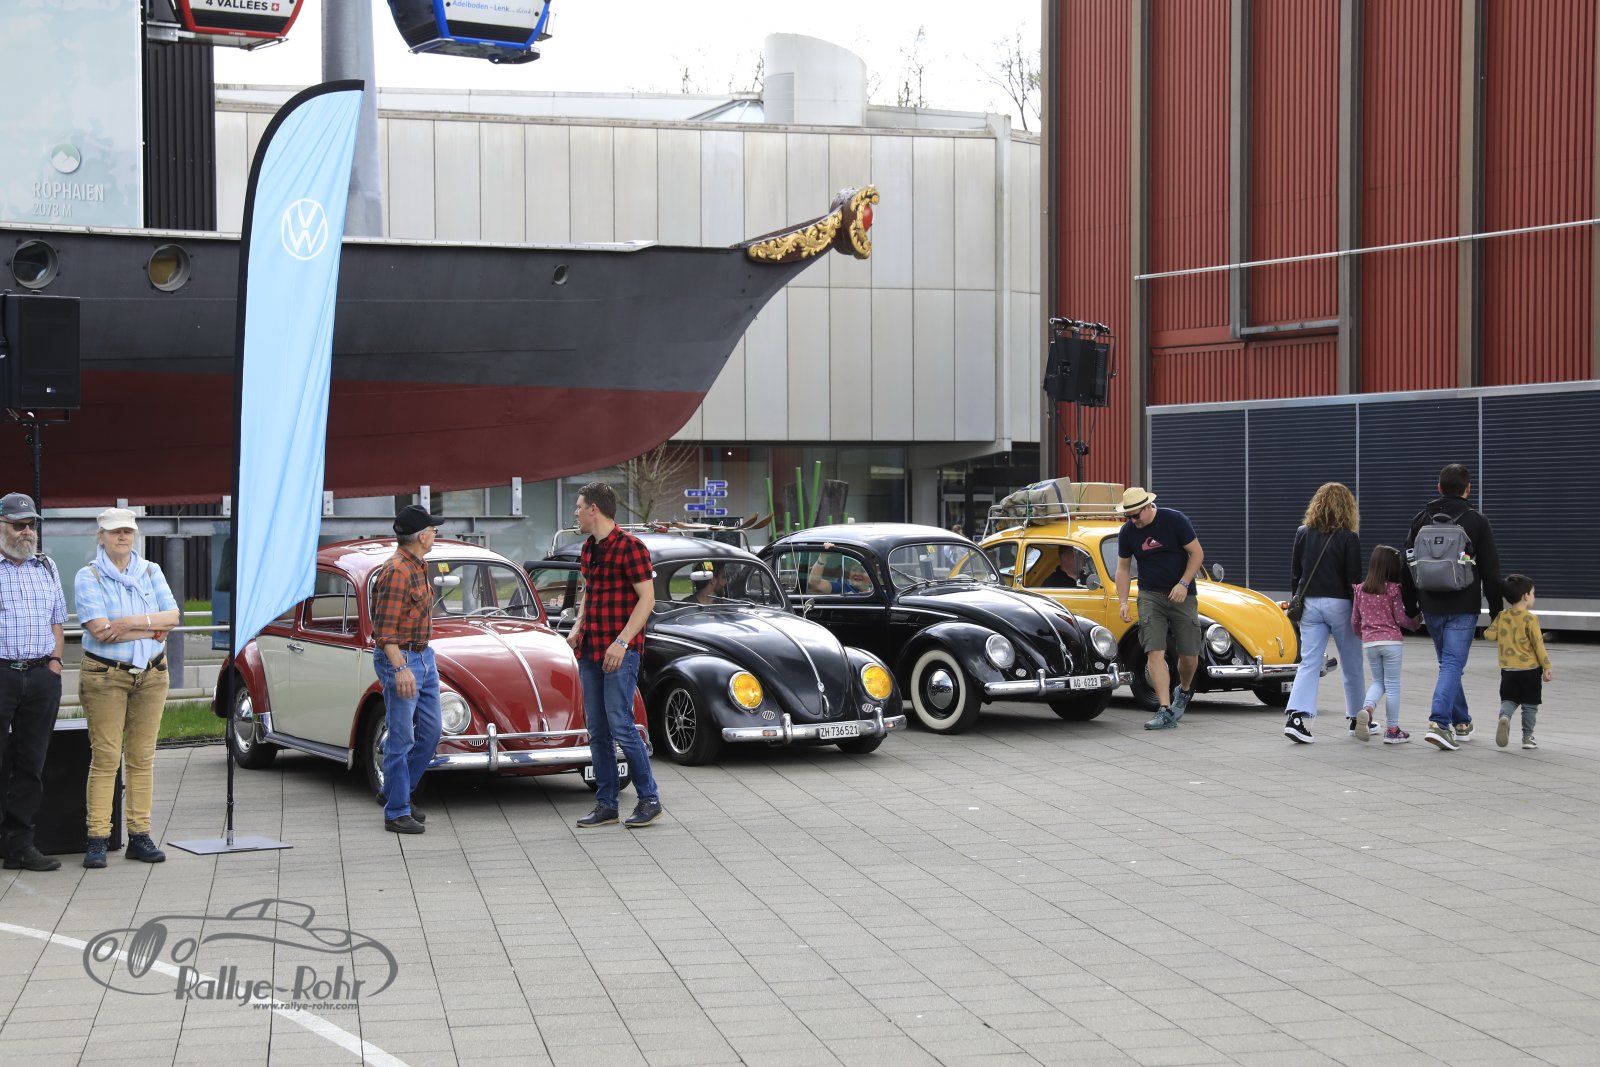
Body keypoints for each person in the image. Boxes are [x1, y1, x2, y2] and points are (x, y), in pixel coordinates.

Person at [73, 508, 182, 868]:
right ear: (101, 537)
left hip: (151, 674)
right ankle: (97, 838)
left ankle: (139, 836)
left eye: (128, 531)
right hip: (106, 676)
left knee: (142, 758)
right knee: (106, 757)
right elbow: (99, 630)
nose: (122, 537)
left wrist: (129, 623)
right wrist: (152, 628)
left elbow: (173, 617)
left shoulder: (151, 571)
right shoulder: (88, 575)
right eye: (114, 531)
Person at [567, 482, 662, 829]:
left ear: (594, 509)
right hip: (590, 648)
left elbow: (647, 601)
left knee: (621, 723)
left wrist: (621, 643)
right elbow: (589, 593)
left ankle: (649, 799)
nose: (576, 513)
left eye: (579, 507)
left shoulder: (631, 547)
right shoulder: (588, 548)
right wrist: (578, 625)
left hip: (620, 651)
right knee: (597, 730)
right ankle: (607, 804)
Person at [1404, 463, 1502, 752]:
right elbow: (1491, 570)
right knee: (1452, 664)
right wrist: (1496, 611)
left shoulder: (1421, 518)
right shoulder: (1477, 521)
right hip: (1464, 603)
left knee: (1449, 663)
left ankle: (1462, 723)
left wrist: (1410, 606)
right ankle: (1439, 723)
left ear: (1439, 488)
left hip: (1430, 603)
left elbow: (1406, 563)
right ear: (1468, 489)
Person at [370, 503, 447, 834]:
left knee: (430, 732)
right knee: (401, 737)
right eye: (433, 530)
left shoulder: (417, 565)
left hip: (423, 656)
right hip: (401, 659)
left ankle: (394, 791)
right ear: (421, 536)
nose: (435, 534)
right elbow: (384, 632)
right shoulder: (397, 572)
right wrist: (400, 668)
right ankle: (396, 812)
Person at [0, 492, 67, 872]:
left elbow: (57, 620)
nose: (26, 531)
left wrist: (54, 663)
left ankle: (20, 846)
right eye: (18, 525)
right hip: (2, 673)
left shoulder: (46, 566)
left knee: (31, 764)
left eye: (31, 525)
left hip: (41, 675)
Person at [1282, 482, 1365, 745]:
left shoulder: (1302, 533)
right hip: (1341, 604)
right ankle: (1358, 719)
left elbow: (1296, 574)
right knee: (1352, 663)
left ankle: (1296, 718)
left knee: (1309, 662)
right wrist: (1359, 614)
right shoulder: (1349, 538)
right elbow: (1354, 580)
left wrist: (1298, 600)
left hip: (1309, 604)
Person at [1115, 487, 1204, 731]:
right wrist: (1123, 601)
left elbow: (1197, 554)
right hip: (1149, 596)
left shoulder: (1174, 520)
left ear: (1148, 507)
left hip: (1182, 594)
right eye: (1128, 516)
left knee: (1189, 655)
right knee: (1154, 651)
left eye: (1135, 515)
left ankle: (1183, 690)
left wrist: (1183, 584)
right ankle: (1164, 709)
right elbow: (1123, 568)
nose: (1133, 521)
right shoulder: (1128, 532)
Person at [1349, 544, 1422, 744]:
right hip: (1391, 642)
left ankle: (1367, 710)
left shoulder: (1360, 589)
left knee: (1377, 682)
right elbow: (1400, 618)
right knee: (1392, 685)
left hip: (1370, 643)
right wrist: (1415, 624)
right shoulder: (1393, 590)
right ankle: (1392, 730)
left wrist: (1362, 635)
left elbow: (1355, 620)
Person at [1483, 574, 1551, 750]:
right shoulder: (1530, 618)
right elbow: (1538, 645)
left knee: (1509, 700)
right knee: (1530, 705)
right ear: (1526, 596)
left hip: (1508, 671)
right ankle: (1527, 738)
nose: (1533, 596)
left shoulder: (1502, 616)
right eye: (1533, 593)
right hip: (1530, 670)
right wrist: (1547, 666)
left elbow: (1488, 635)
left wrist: (1501, 630)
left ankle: (1504, 717)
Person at [808, 547, 873, 594]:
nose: (857, 574)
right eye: (854, 570)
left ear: (871, 575)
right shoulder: (842, 588)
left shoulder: (876, 591)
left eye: (862, 571)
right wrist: (823, 557)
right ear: (849, 574)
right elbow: (815, 584)